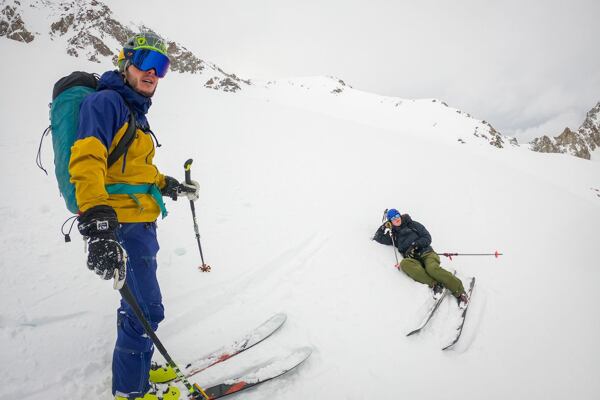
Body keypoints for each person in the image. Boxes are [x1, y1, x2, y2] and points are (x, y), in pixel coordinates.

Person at [69, 32, 199, 400]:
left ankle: (137, 368)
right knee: (147, 311)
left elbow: (134, 171)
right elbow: (87, 159)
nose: (152, 73)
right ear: (125, 63)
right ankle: (131, 391)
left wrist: (169, 184)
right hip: (121, 224)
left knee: (136, 307)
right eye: (144, 63)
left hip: (140, 223)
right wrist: (97, 220)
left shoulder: (133, 113)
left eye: (161, 67)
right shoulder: (107, 103)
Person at [373, 209, 468, 306]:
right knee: (404, 264)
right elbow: (377, 237)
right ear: (390, 222)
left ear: (400, 215)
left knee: (431, 269)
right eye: (393, 219)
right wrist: (384, 226)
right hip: (414, 260)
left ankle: (460, 292)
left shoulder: (412, 224)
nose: (396, 219)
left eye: (397, 216)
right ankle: (436, 285)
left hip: (427, 254)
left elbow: (427, 237)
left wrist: (415, 245)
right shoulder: (394, 236)